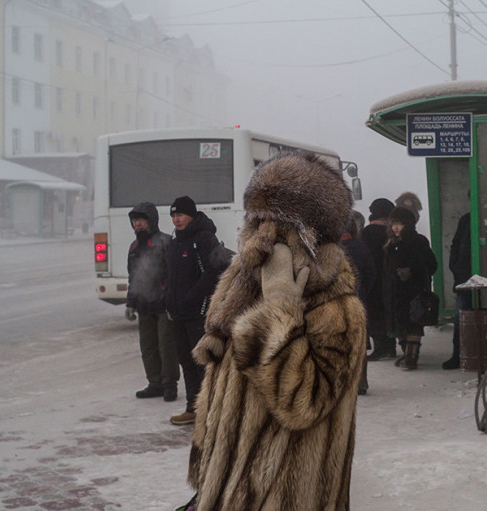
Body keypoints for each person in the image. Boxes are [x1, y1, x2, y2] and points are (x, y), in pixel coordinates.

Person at [186, 152, 365, 510]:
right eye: (256, 218)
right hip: (227, 491)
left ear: (311, 232)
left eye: (276, 220)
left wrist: (280, 310)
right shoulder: (242, 289)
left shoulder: (339, 309)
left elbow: (305, 404)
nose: (262, 231)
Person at [165, 195, 220, 426]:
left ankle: (210, 409)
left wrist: (193, 297)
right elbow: (170, 276)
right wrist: (168, 299)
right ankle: (193, 408)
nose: (177, 220)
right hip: (178, 313)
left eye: (181, 215)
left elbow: (213, 272)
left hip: (198, 312)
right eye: (174, 216)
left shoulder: (204, 238)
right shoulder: (176, 242)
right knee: (186, 360)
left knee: (202, 362)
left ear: (192, 215)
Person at [126, 202, 180, 401]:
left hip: (163, 305)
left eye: (141, 220)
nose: (137, 224)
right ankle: (154, 383)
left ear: (151, 221)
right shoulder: (134, 247)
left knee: (166, 347)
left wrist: (171, 300)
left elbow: (174, 275)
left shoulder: (165, 242)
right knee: (148, 347)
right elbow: (133, 277)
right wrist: (130, 303)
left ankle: (169, 384)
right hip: (143, 305)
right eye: (134, 221)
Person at [383, 206, 438, 370]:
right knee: (400, 324)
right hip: (396, 292)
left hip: (414, 291)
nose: (396, 227)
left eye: (400, 224)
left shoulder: (419, 241)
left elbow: (431, 265)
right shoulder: (391, 244)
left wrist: (412, 271)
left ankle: (411, 358)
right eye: (393, 224)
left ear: (408, 224)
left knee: (414, 323)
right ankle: (407, 353)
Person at [340, 214, 376, 395]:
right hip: (357, 301)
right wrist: (362, 292)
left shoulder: (329, 249)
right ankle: (361, 379)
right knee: (358, 341)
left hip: (335, 303)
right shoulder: (360, 247)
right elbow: (371, 273)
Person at [362, 198, 397, 361]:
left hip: (373, 280)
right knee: (389, 311)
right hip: (391, 278)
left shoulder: (367, 232)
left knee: (375, 314)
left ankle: (380, 348)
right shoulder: (394, 231)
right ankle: (391, 347)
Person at [444, 211, 472, 370]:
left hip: (472, 276)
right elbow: (456, 245)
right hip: (464, 278)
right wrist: (456, 267)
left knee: (462, 317)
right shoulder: (466, 220)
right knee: (461, 318)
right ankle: (459, 355)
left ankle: (465, 355)